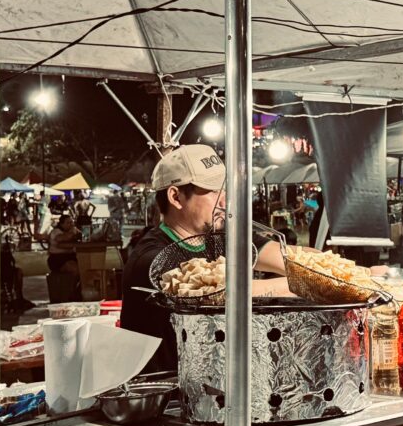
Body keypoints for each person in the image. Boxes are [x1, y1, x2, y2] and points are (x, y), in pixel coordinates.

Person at [120, 145, 293, 375]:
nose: (224, 201)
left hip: (215, 383)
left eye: (225, 190)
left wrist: (330, 268)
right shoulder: (152, 259)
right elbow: (222, 292)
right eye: (213, 191)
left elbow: (289, 256)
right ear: (176, 197)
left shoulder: (220, 238)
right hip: (169, 391)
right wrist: (301, 284)